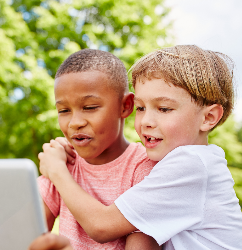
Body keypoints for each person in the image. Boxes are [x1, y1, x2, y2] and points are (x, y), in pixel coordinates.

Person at [36, 45, 242, 249]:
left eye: (164, 108)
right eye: (141, 108)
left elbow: (102, 226)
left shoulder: (190, 165)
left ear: (208, 117)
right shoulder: (182, 163)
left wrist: (56, 170)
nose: (146, 121)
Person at [37, 49, 160, 249]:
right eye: (64, 110)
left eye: (90, 107)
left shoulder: (144, 169)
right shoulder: (63, 162)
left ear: (125, 106)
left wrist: (57, 172)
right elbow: (24, 237)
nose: (75, 123)